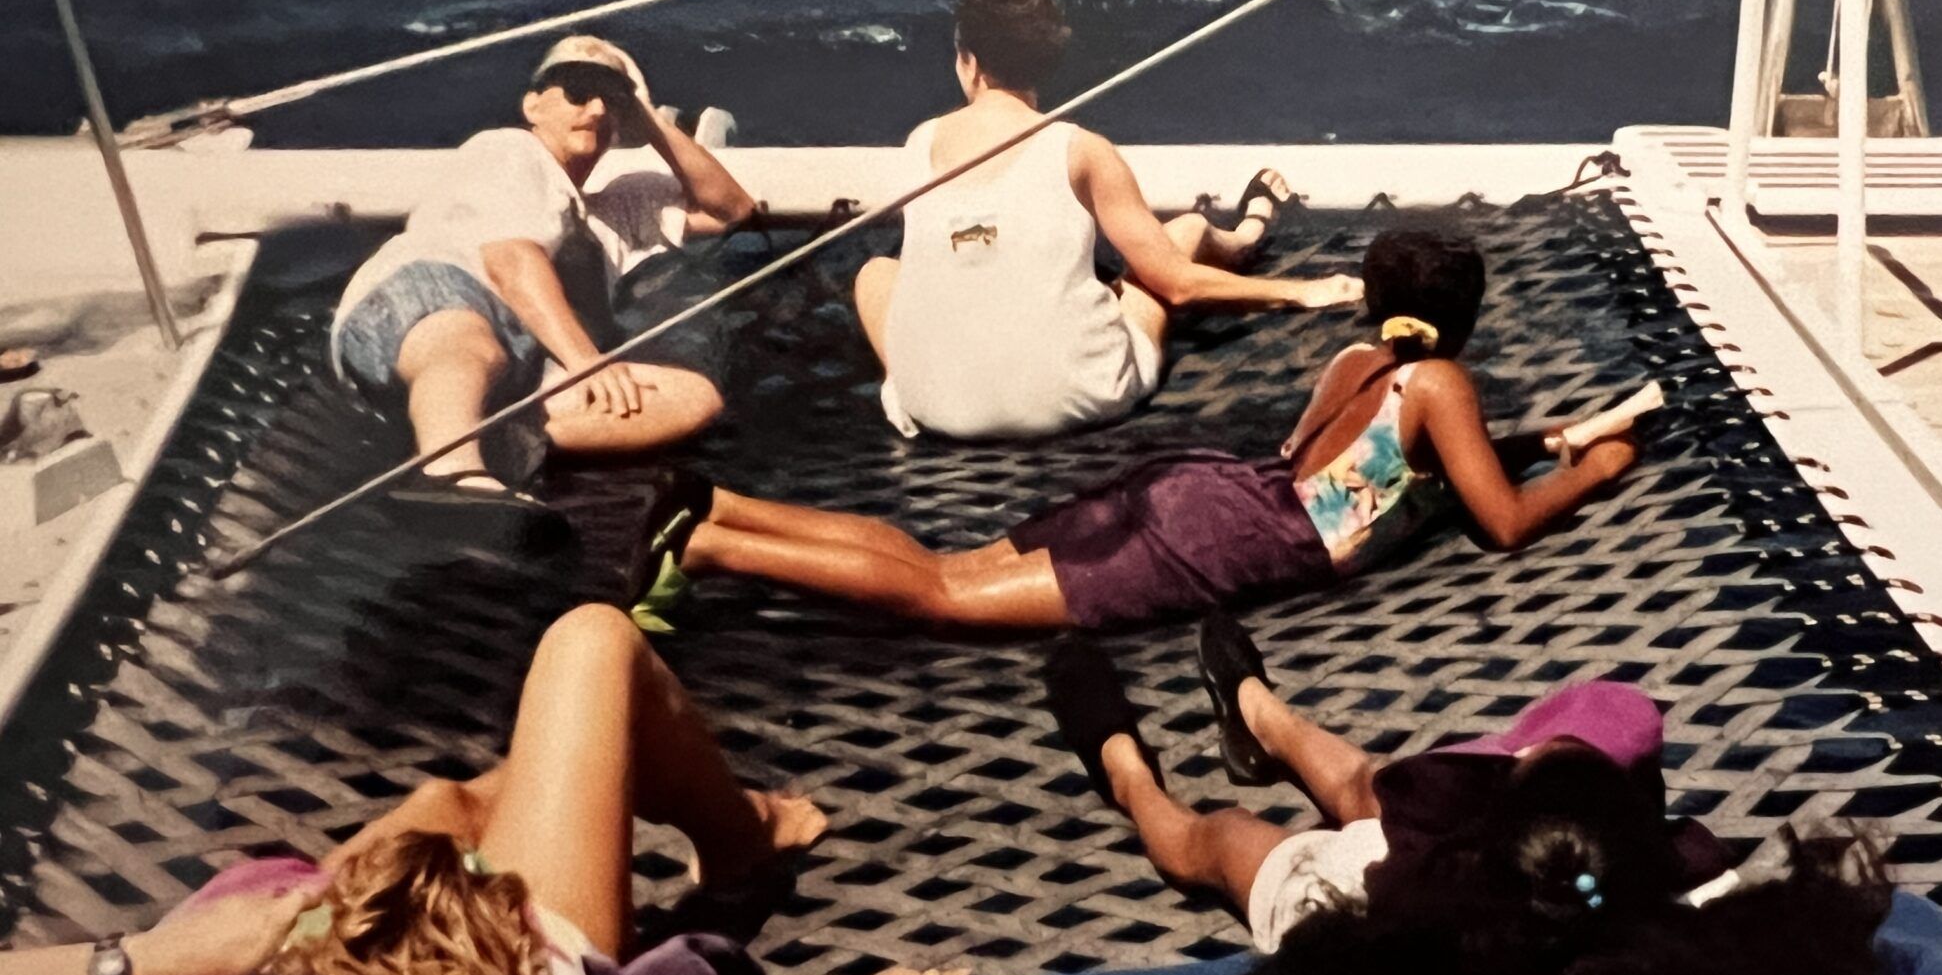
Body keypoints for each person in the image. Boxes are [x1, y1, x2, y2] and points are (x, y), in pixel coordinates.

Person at [0, 603, 871, 975]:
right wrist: (148, 966)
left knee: (445, 807)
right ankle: (743, 839)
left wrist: (155, 966)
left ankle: (666, 802)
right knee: (591, 645)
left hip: (322, 934)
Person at [631, 228, 1640, 631]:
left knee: (952, 560)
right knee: (942, 597)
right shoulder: (1442, 385)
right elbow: (1499, 522)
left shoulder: (1355, 363)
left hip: (1198, 490)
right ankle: (714, 546)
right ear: (1458, 320)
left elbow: (1393, 469)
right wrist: (1593, 471)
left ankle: (723, 503)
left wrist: (1536, 436)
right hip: (1218, 540)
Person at [1042, 614, 1894, 975]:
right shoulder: (1670, 900)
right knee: (1365, 788)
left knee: (1223, 836)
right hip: (1465, 888)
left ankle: (1123, 765)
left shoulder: (1415, 896)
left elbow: (1394, 850)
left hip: (1382, 904)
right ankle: (1261, 717)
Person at [856, 0, 1362, 439]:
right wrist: (1301, 291)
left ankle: (901, 390)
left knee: (874, 275)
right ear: (1046, 60)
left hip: (940, 410)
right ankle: (1247, 233)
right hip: (1078, 398)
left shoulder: (920, 143)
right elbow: (1177, 288)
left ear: (968, 61)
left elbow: (961, 256)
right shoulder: (1080, 149)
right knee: (1182, 233)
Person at [329, 34, 758, 515]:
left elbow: (730, 211)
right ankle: (448, 473)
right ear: (533, 106)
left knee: (691, 397)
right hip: (424, 305)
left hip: (524, 363)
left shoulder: (614, 211)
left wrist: (644, 115)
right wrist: (589, 362)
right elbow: (512, 263)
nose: (594, 109)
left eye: (608, 98)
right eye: (576, 90)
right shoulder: (510, 152)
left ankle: (496, 437)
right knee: (472, 339)